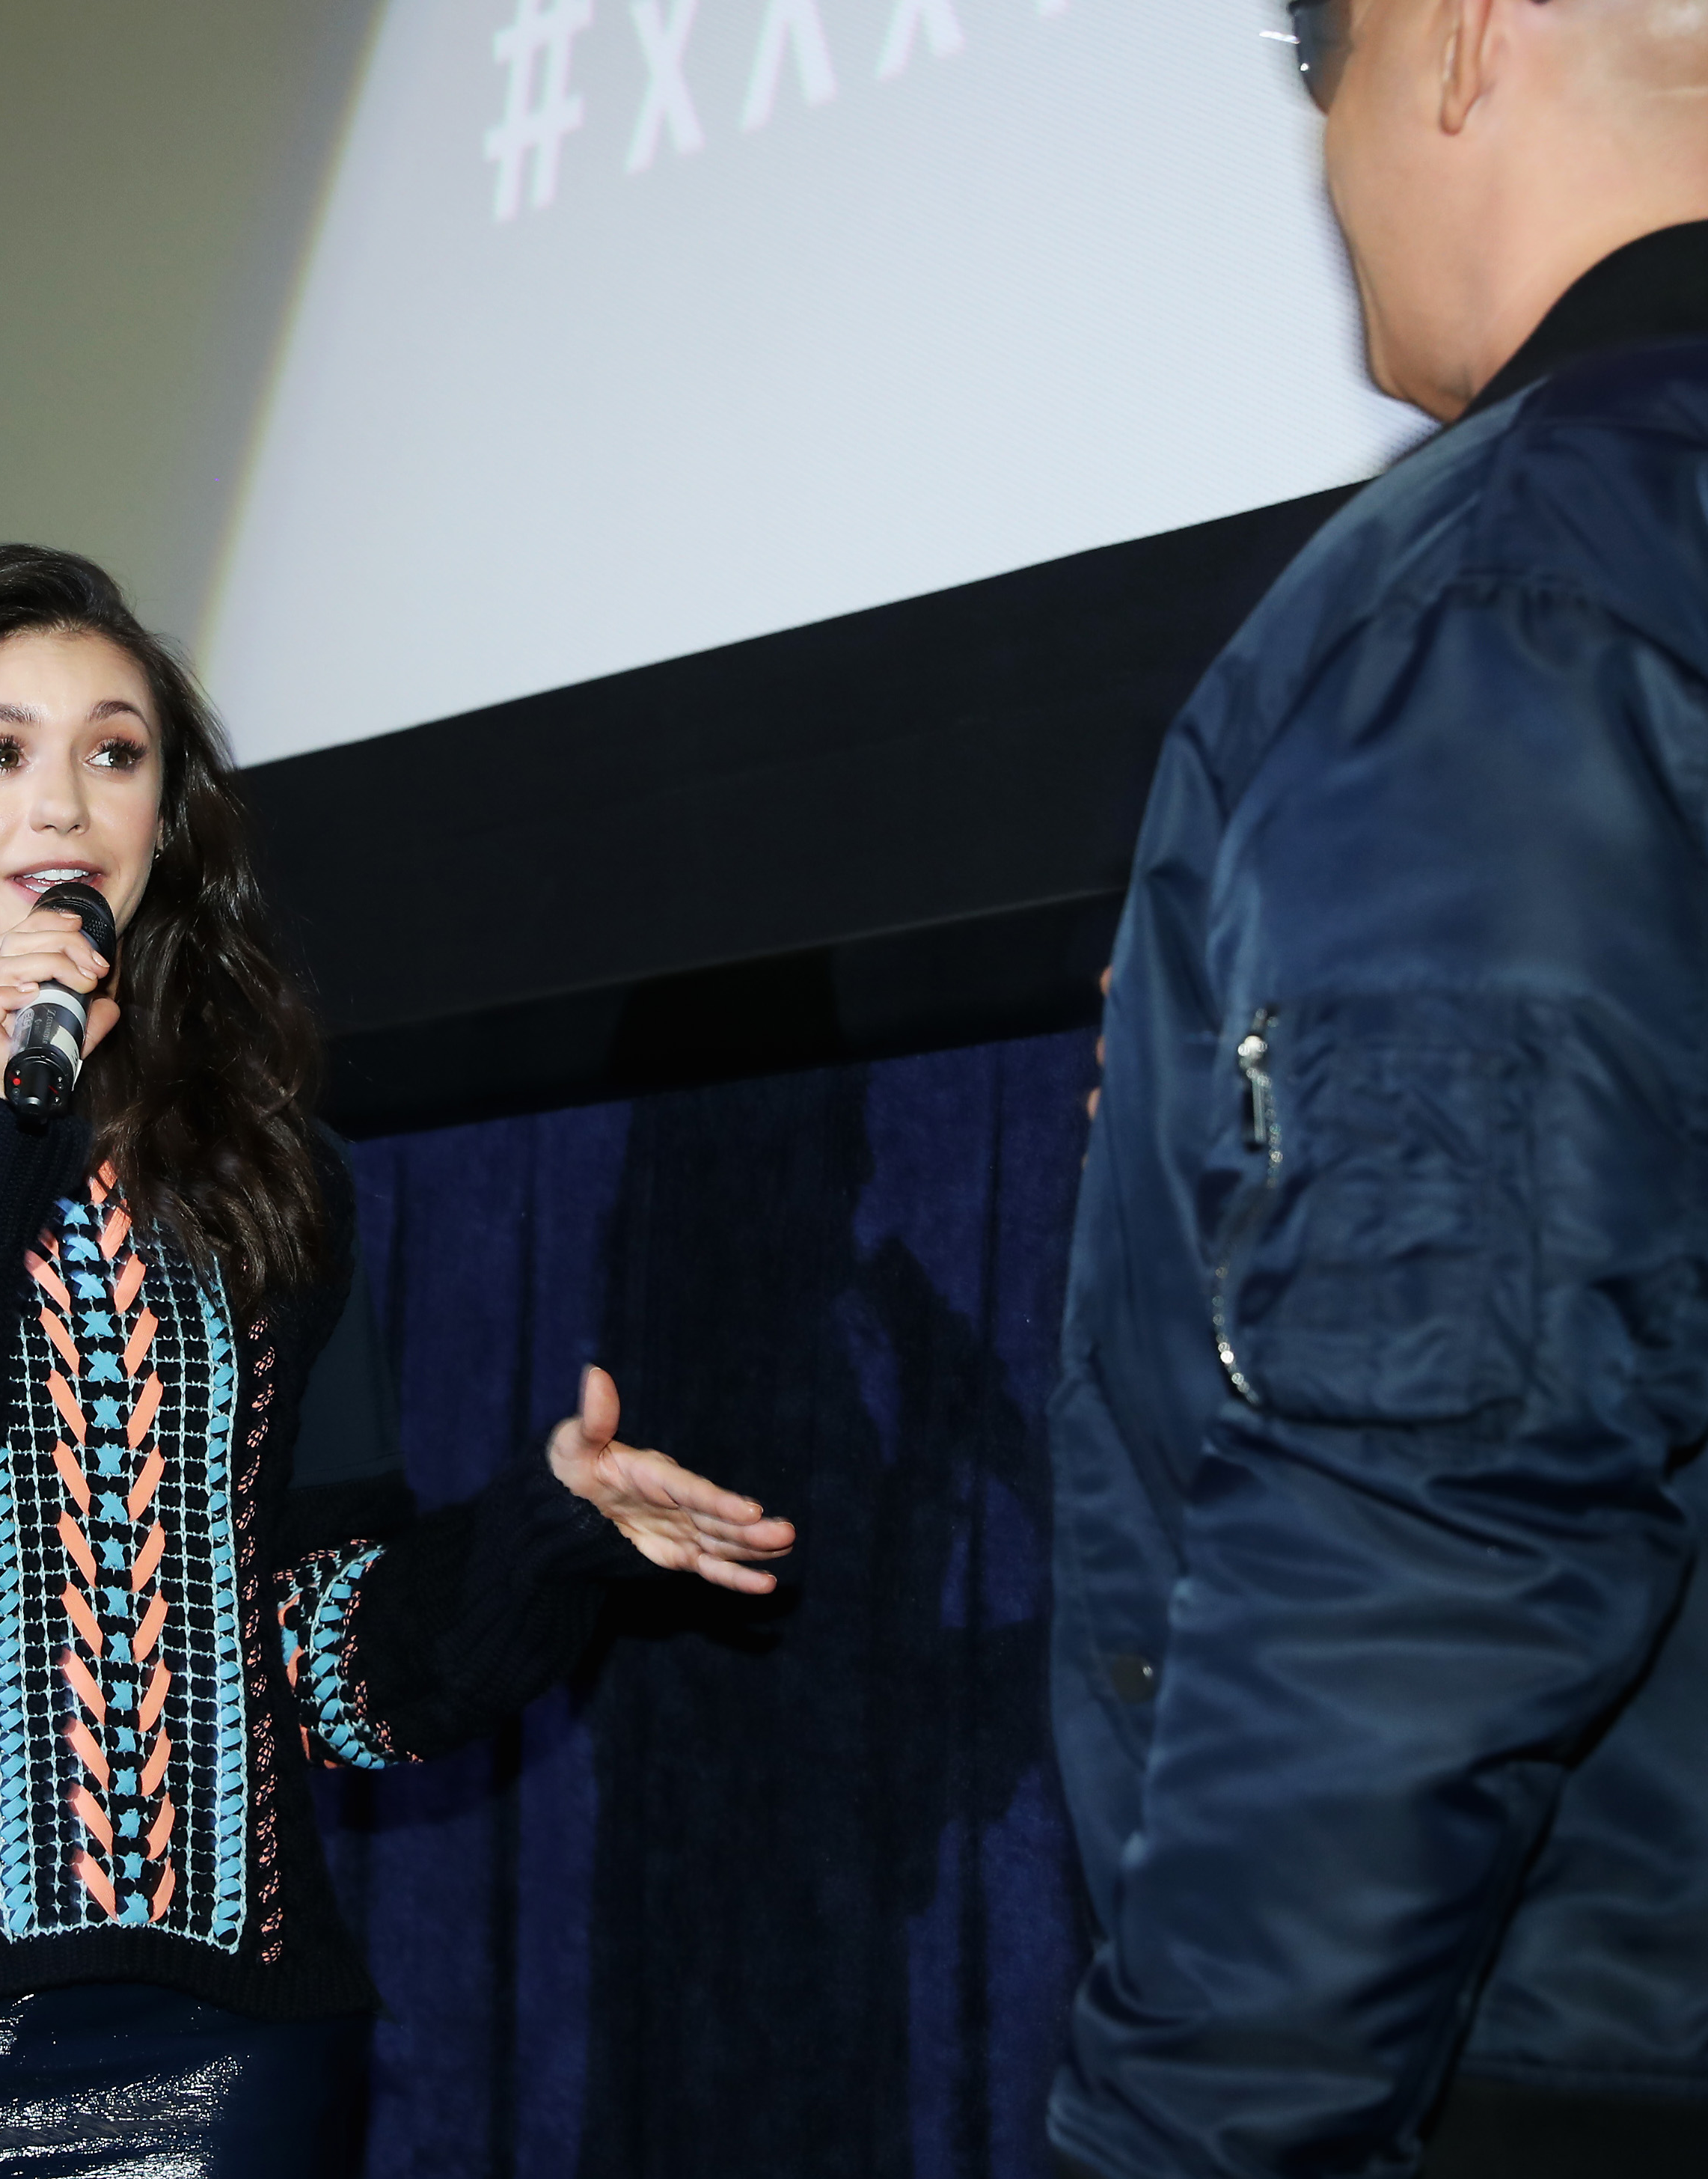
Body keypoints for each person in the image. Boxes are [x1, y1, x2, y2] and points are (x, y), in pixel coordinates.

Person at [0, 545, 794, 2172]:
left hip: (213, 2061)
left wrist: (549, 1533)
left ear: (164, 823)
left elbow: (331, 1672)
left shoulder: (268, 1184)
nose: (61, 802)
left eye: (116, 752)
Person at [1047, 4, 1707, 2174]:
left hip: (1586, 2053)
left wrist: (1192, 2139)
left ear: (1463, 38)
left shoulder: (1508, 596)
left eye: (1312, 64)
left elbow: (1435, 1503)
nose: (1324, 155)